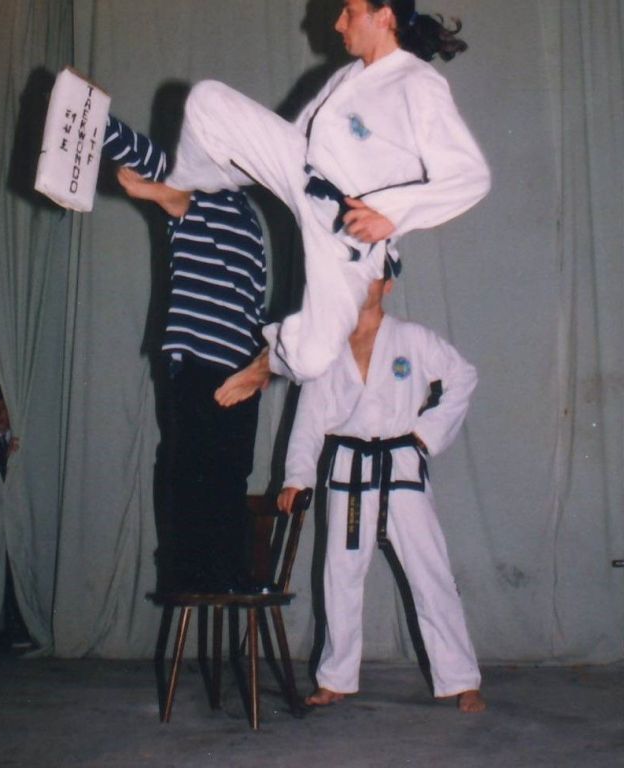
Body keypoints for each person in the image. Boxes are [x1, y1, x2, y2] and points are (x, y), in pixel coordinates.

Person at [129, 0, 490, 404]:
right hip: (303, 170)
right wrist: (216, 176)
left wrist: (391, 215)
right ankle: (181, 186)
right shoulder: (347, 77)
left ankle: (269, 361)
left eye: (349, 12)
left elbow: (470, 176)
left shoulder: (418, 83)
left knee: (312, 358)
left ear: (383, 15)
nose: (338, 24)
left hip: (347, 232)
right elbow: (283, 143)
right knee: (207, 99)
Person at [277, 262, 485, 713]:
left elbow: (463, 376)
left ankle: (461, 679)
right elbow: (309, 418)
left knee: (429, 573)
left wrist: (427, 434)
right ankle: (335, 677)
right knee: (340, 575)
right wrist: (297, 477)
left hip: (401, 464)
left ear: (387, 285)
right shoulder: (328, 346)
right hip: (348, 469)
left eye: (372, 276)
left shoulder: (412, 338)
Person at [103, 112, 268, 592]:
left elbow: (252, 298)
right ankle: (189, 572)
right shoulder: (193, 184)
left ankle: (225, 571)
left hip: (241, 364)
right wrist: (91, 116)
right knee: (191, 465)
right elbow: (145, 159)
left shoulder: (245, 213)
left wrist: (258, 364)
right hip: (197, 358)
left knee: (229, 472)